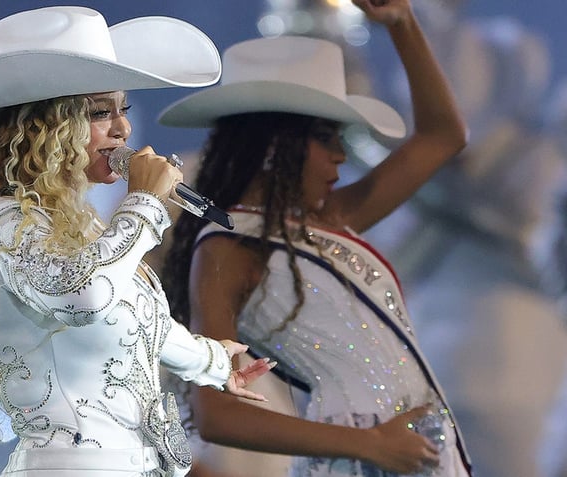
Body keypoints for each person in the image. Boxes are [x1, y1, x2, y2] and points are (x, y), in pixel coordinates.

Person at [0, 6, 274, 477]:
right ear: (42, 128)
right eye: (99, 113)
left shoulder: (85, 234)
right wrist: (146, 204)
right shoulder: (2, 226)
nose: (123, 129)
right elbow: (83, 297)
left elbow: (137, 321)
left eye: (122, 110)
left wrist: (215, 363)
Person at [159, 0, 472, 476]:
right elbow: (215, 413)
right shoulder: (228, 246)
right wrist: (367, 444)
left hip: (417, 448)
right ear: (273, 147)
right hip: (359, 455)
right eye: (327, 138)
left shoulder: (333, 217)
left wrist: (401, 23)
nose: (341, 156)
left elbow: (443, 136)